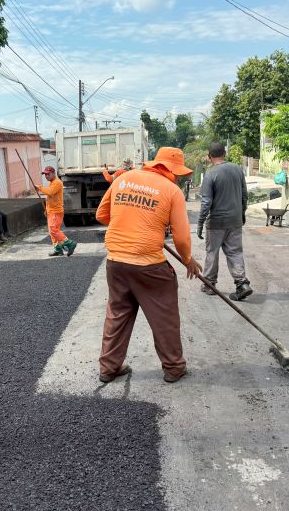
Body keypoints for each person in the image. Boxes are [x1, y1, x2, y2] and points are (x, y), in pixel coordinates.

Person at [95, 146, 202, 384]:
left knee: (117, 314)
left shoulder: (124, 179)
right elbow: (182, 237)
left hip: (116, 262)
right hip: (149, 267)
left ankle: (108, 368)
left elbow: (102, 215)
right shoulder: (172, 191)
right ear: (172, 169)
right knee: (164, 316)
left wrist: (130, 221)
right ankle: (174, 367)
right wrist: (188, 260)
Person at [196, 142, 252, 301]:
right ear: (224, 153)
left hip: (216, 223)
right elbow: (244, 196)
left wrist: (200, 223)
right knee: (235, 252)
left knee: (212, 252)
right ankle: (242, 284)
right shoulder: (237, 170)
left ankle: (209, 284)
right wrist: (241, 214)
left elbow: (206, 202)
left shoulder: (210, 174)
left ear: (209, 156)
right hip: (234, 221)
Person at [34, 166, 77, 257]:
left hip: (56, 211)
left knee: (53, 230)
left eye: (48, 174)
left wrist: (40, 188)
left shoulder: (57, 183)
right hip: (51, 211)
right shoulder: (52, 183)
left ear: (54, 173)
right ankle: (57, 248)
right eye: (45, 174)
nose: (46, 176)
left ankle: (69, 243)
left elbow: (50, 192)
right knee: (52, 230)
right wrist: (47, 209)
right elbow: (50, 198)